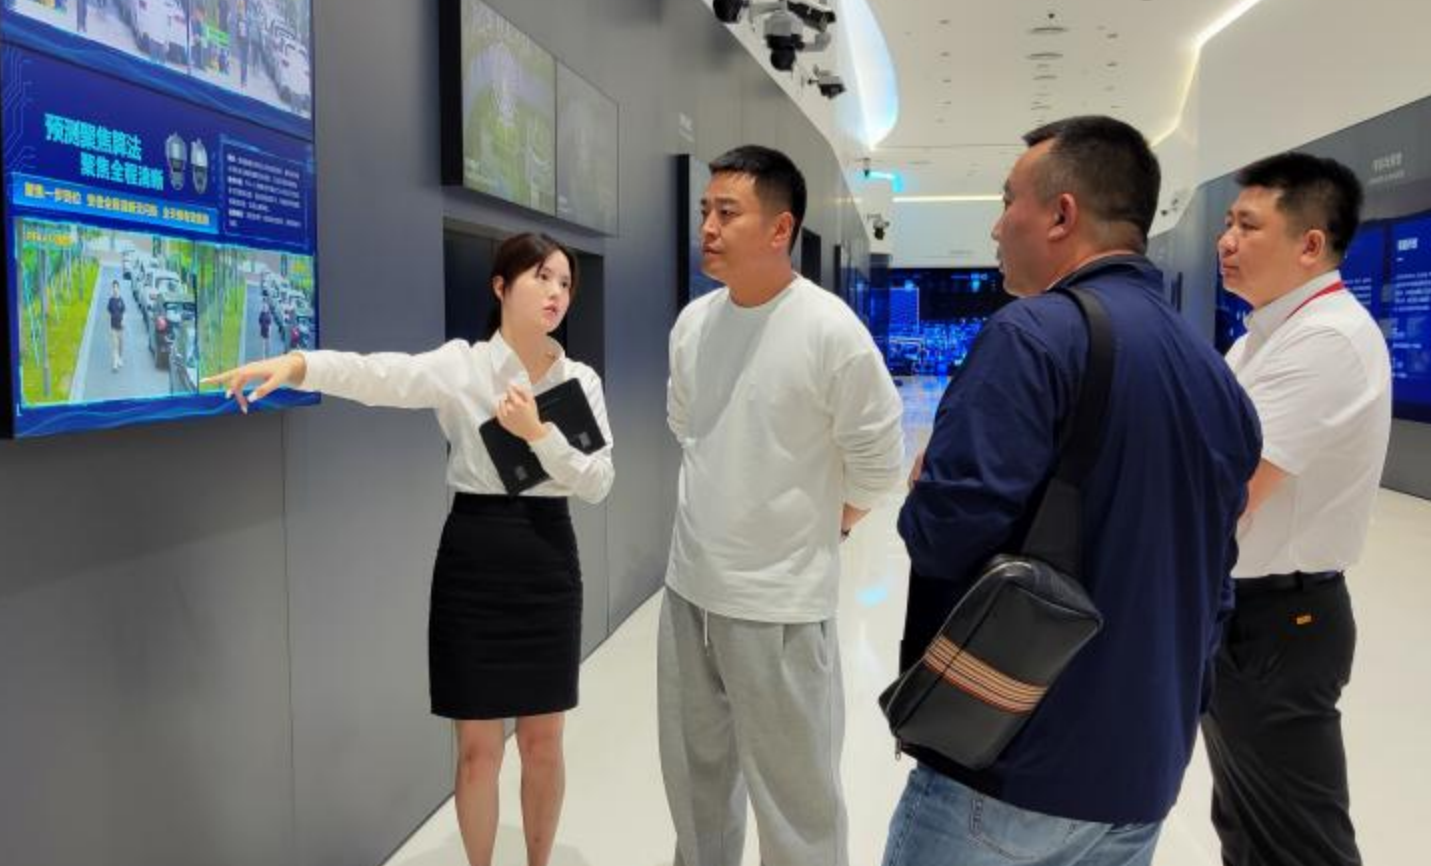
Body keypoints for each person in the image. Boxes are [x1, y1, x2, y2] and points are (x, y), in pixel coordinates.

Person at [884, 116, 1262, 866]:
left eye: (1007, 201)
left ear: (1061, 215)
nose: (997, 227)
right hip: (1141, 776)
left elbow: (944, 535)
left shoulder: (1032, 335)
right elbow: (1218, 576)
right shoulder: (1215, 374)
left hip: (1009, 756)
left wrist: (926, 485)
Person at [206, 233, 613, 866]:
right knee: (477, 751)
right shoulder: (463, 366)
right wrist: (300, 364)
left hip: (548, 559)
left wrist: (539, 434)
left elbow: (598, 480)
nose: (556, 292)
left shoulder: (579, 379)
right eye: (541, 277)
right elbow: (380, 375)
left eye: (565, 282)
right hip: (475, 556)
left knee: (543, 743)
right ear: (501, 287)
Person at [661, 145, 905, 866]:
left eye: (726, 212)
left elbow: (878, 462)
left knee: (798, 810)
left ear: (779, 228)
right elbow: (685, 424)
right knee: (696, 798)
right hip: (689, 591)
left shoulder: (830, 331)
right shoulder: (694, 324)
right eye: (705, 210)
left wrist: (834, 523)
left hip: (781, 605)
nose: (707, 226)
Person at [1207, 153, 1391, 866]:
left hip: (1284, 621)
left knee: (1300, 842)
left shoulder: (1327, 339)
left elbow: (1227, 489)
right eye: (1228, 222)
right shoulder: (1256, 340)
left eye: (1248, 225)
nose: (1226, 240)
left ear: (1310, 244)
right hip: (1247, 612)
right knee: (1248, 828)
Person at [107, 278, 126, 372]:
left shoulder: (121, 300)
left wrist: (123, 321)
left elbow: (124, 312)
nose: (115, 289)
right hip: (113, 327)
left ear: (119, 288)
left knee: (121, 345)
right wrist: (109, 326)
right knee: (115, 345)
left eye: (116, 287)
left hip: (121, 327)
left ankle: (120, 358)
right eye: (113, 287)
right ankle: (115, 364)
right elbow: (109, 312)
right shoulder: (111, 300)